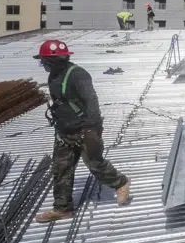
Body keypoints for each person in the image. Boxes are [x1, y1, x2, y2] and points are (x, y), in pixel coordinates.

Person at [33, 39, 131, 223]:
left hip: (85, 129)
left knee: (95, 164)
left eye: (43, 61)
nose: (42, 65)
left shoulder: (78, 75)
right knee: (61, 168)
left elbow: (92, 102)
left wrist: (91, 130)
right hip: (65, 130)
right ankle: (62, 208)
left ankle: (121, 183)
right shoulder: (54, 75)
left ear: (53, 60)